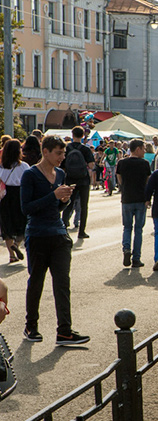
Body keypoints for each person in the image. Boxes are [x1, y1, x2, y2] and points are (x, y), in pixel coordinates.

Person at [20, 136, 89, 345]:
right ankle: (31, 326)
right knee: (36, 282)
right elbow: (27, 209)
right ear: (45, 151)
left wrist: (63, 201)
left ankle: (64, 331)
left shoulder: (60, 173)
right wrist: (54, 196)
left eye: (63, 153)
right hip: (38, 235)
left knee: (62, 284)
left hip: (59, 235)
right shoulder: (30, 175)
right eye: (58, 153)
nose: (62, 158)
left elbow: (56, 208)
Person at [117, 139, 152, 268]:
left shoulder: (122, 163)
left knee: (127, 227)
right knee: (138, 229)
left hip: (126, 199)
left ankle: (126, 248)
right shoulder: (145, 164)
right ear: (137, 149)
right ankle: (136, 258)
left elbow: (119, 178)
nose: (144, 151)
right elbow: (148, 181)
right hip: (141, 199)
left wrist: (124, 187)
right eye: (143, 148)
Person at [61, 126, 95, 239]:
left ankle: (63, 228)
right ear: (82, 136)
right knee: (84, 206)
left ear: (72, 135)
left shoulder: (67, 148)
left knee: (68, 204)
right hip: (83, 180)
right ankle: (82, 232)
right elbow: (91, 165)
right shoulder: (85, 149)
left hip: (70, 179)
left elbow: (62, 165)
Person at [0, 140, 30, 262]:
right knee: (23, 224)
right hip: (19, 195)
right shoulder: (24, 166)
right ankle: (17, 243)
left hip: (4, 197)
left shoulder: (1, 166)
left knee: (7, 226)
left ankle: (11, 255)